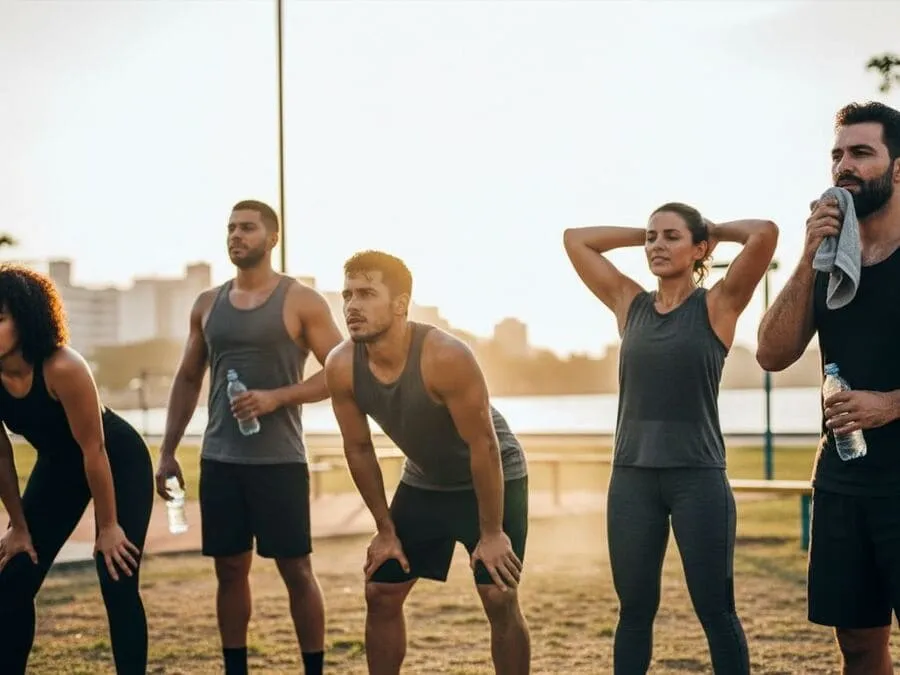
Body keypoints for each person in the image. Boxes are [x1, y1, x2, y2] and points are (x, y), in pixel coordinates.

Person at [564, 205, 778, 674]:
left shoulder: (718, 305)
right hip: (631, 480)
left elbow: (764, 233)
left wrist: (714, 230)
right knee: (634, 612)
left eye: (671, 237)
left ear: (700, 249)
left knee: (716, 611)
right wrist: (641, 234)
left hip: (697, 479)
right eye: (651, 237)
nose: (657, 245)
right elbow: (575, 238)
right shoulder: (629, 303)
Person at [156, 199, 344, 675]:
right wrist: (168, 451)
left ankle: (314, 669)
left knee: (296, 571)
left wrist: (277, 397)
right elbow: (186, 379)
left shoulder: (302, 301)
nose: (236, 236)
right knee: (229, 571)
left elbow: (342, 372)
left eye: (247, 228)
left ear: (272, 237)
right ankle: (234, 669)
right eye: (231, 228)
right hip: (221, 460)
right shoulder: (207, 304)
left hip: (279, 461)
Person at [323, 250, 531, 675]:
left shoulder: (445, 355)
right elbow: (358, 449)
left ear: (400, 304)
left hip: (493, 473)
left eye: (366, 293)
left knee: (498, 596)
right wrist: (384, 530)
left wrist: (491, 533)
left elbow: (484, 446)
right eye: (347, 295)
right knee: (381, 590)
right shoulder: (341, 364)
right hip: (425, 480)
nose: (351, 306)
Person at [757, 101, 900, 675]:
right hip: (843, 479)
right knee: (859, 645)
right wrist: (808, 254)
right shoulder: (833, 262)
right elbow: (771, 352)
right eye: (837, 154)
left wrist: (889, 404)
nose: (844, 166)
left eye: (861, 153)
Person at [0, 264, 152, 675]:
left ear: (27, 317)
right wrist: (19, 525)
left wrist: (108, 527)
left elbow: (95, 449)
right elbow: (1, 456)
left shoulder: (63, 367)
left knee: (116, 576)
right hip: (59, 468)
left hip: (116, 462)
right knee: (13, 580)